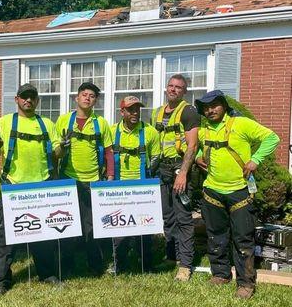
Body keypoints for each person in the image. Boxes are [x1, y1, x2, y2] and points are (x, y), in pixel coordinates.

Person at [195, 90, 280, 299]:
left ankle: (246, 284)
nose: (210, 110)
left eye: (214, 105)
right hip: (212, 190)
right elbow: (200, 148)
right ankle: (221, 274)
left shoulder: (241, 124)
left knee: (243, 239)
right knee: (216, 235)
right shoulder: (203, 129)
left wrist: (256, 160)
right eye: (206, 107)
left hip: (239, 191)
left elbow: (272, 138)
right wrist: (198, 157)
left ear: (223, 105)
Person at [0, 83, 62, 296]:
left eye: (32, 97)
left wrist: (62, 148)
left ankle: (47, 273)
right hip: (13, 187)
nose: (28, 100)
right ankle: (0, 280)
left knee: (44, 235)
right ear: (17, 99)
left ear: (37, 100)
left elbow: (56, 153)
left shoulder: (46, 124)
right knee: (6, 238)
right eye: (24, 97)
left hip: (42, 187)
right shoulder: (4, 122)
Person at [56, 82, 114, 276]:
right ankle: (67, 267)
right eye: (84, 94)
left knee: (91, 227)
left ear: (95, 101)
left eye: (91, 96)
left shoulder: (101, 123)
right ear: (76, 98)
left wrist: (111, 176)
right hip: (68, 179)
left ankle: (95, 266)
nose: (87, 98)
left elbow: (108, 152)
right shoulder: (63, 121)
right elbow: (54, 151)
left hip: (93, 181)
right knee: (67, 225)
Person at [151, 74, 200, 281]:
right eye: (170, 86)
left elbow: (193, 145)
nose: (173, 90)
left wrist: (184, 174)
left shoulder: (188, 111)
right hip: (162, 169)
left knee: (183, 218)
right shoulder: (157, 113)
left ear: (184, 91)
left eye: (178, 87)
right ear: (165, 88)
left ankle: (185, 265)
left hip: (180, 169)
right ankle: (171, 256)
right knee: (168, 217)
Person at [110, 96, 160, 273]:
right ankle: (119, 264)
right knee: (118, 228)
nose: (135, 113)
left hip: (141, 187)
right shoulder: (112, 131)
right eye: (131, 109)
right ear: (122, 112)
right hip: (118, 187)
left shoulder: (150, 132)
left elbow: (155, 157)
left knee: (144, 227)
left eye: (137, 109)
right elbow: (107, 157)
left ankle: (146, 265)